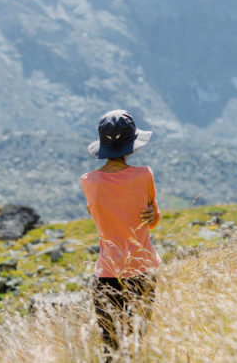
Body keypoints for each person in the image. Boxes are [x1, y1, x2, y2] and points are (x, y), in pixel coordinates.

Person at [81, 109, 161, 356]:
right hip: (141, 270)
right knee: (136, 344)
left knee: (111, 349)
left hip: (107, 273)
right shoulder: (144, 175)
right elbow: (152, 219)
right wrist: (152, 216)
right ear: (131, 145)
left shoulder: (88, 181)